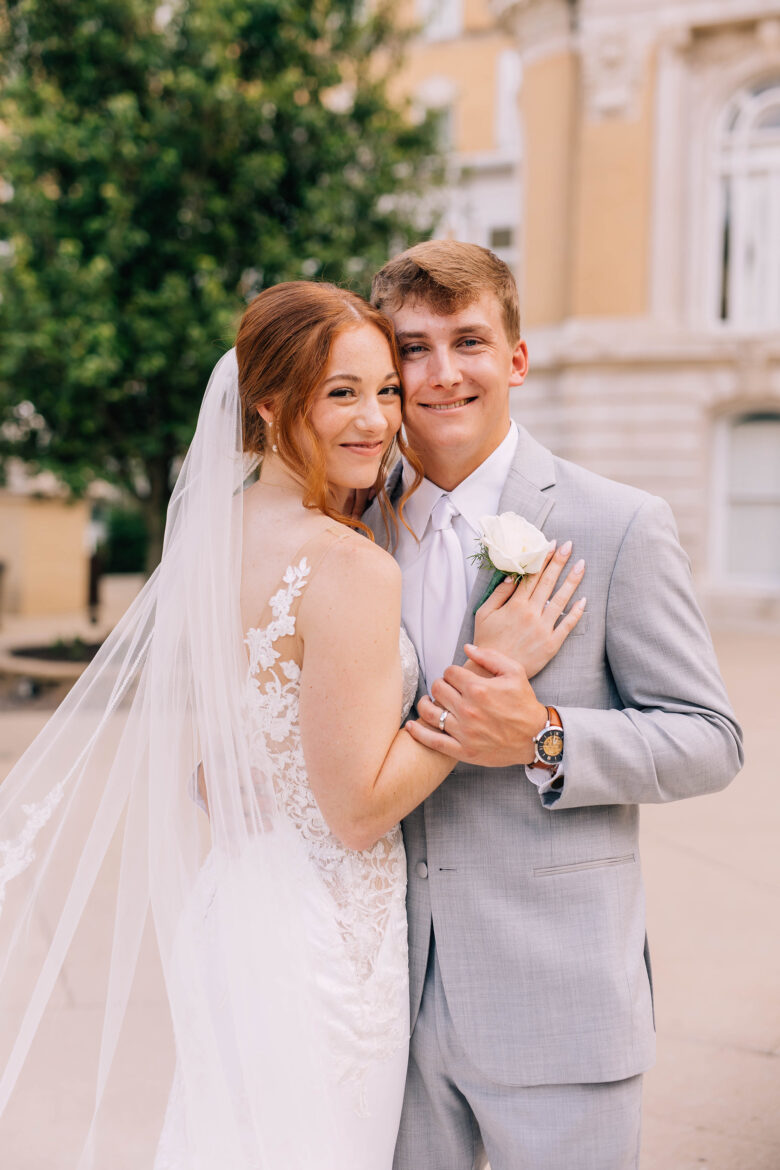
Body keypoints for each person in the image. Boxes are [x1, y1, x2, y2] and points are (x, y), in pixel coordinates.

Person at [0, 280, 582, 1170]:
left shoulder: (218, 528)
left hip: (232, 908)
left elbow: (237, 738)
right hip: (325, 941)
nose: (377, 420)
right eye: (340, 393)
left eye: (385, 390)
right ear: (271, 407)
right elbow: (356, 812)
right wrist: (487, 667)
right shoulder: (347, 564)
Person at [366, 240, 745, 1170]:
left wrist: (543, 736)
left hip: (557, 1005)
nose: (442, 373)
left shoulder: (616, 524)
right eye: (413, 349)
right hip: (382, 1013)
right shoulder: (352, 526)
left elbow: (710, 739)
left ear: (518, 360)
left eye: (470, 342)